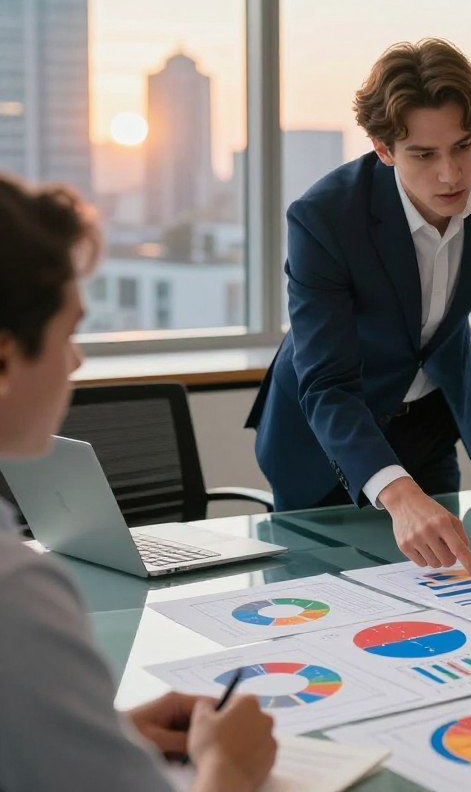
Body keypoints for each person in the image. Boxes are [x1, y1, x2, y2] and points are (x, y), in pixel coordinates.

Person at [0, 173, 276, 792]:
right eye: (69, 333)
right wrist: (228, 767)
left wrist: (105, 731)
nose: (76, 361)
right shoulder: (15, 595)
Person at [247, 38, 471, 574]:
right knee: (325, 623)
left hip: (432, 422)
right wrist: (397, 493)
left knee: (448, 601)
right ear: (383, 148)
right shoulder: (324, 218)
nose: (451, 175)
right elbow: (326, 384)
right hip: (328, 439)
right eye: (423, 154)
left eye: (464, 145)